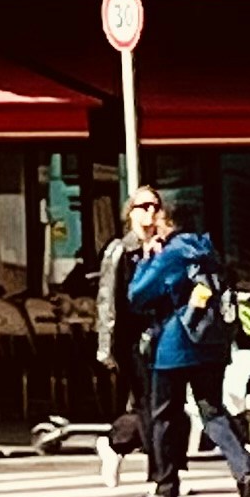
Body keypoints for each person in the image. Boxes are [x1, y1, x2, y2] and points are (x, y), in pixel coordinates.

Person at [133, 216, 250, 497]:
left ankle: (166, 485)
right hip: (212, 344)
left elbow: (138, 294)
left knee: (165, 415)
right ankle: (244, 469)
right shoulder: (208, 251)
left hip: (174, 345)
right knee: (213, 411)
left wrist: (147, 260)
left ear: (168, 224)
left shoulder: (171, 254)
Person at [94, 189, 169, 477]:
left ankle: (116, 442)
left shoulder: (165, 248)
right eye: (143, 206)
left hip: (163, 336)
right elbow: (107, 299)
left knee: (155, 405)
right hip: (133, 338)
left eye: (155, 206)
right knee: (150, 402)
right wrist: (106, 345)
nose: (150, 212)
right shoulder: (120, 251)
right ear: (131, 213)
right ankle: (161, 474)